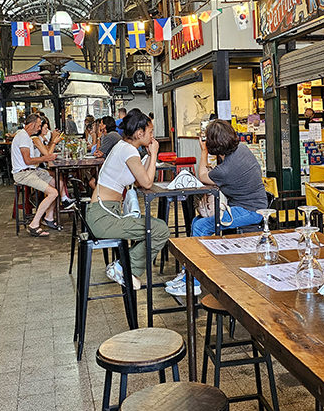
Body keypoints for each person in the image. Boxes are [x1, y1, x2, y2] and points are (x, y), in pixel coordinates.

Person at [166, 120, 268, 296]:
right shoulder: (241, 149)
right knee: (198, 221)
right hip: (248, 205)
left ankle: (194, 283)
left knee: (200, 226)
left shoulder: (226, 169)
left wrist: (203, 151)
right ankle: (189, 272)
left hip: (251, 211)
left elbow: (203, 175)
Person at [86, 109, 169, 289]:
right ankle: (123, 267)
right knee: (159, 230)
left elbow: (140, 182)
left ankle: (125, 266)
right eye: (151, 132)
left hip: (103, 213)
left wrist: (148, 154)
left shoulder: (124, 148)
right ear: (140, 133)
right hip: (104, 219)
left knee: (152, 227)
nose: (153, 136)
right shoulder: (128, 151)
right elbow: (147, 183)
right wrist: (154, 154)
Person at [11, 113, 59, 237]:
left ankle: (48, 217)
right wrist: (46, 158)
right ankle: (34, 225)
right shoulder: (23, 137)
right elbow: (27, 160)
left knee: (56, 183)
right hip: (23, 174)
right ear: (31, 124)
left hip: (31, 171)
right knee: (53, 192)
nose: (39, 128)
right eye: (38, 126)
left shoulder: (26, 136)